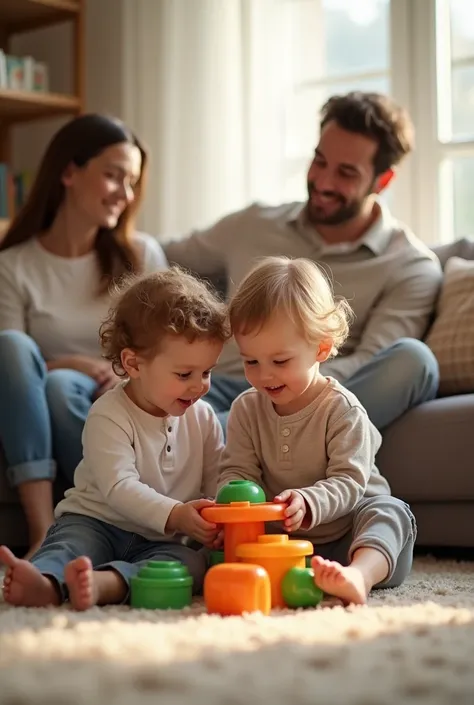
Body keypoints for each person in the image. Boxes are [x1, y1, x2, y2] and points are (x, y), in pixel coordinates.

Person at [164, 91, 443, 429]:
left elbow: (371, 361)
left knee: (414, 361)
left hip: (314, 403)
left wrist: (288, 386)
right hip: (213, 389)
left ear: (382, 181)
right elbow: (161, 258)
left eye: (346, 173)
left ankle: (210, 443)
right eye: (320, 161)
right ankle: (212, 440)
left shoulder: (410, 267)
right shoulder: (253, 224)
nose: (324, 182)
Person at [0, 268, 229, 610]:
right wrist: (177, 514)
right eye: (184, 375)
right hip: (97, 522)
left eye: (207, 372)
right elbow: (120, 487)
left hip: (160, 540)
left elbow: (215, 480)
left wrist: (218, 517)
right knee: (69, 545)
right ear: (133, 363)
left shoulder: (204, 417)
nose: (199, 386)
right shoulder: (109, 414)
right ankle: (45, 582)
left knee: (191, 565)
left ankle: (104, 584)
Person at [0, 114, 168, 557]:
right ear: (69, 172)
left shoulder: (141, 255)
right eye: (113, 177)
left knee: (58, 384)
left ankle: (114, 518)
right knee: (21, 354)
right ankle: (44, 527)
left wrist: (131, 377)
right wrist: (73, 364)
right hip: (44, 399)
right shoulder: (13, 265)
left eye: (131, 182)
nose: (126, 195)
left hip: (128, 397)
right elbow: (10, 365)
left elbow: (172, 345)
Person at [218, 256, 416, 605]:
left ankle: (359, 576)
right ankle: (300, 573)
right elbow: (238, 471)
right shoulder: (246, 409)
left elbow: (350, 483)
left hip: (350, 535)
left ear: (321, 347)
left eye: (280, 362)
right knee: (210, 552)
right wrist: (230, 509)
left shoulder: (342, 409)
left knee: (390, 510)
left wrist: (309, 501)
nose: (264, 376)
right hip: (286, 541)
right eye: (251, 361)